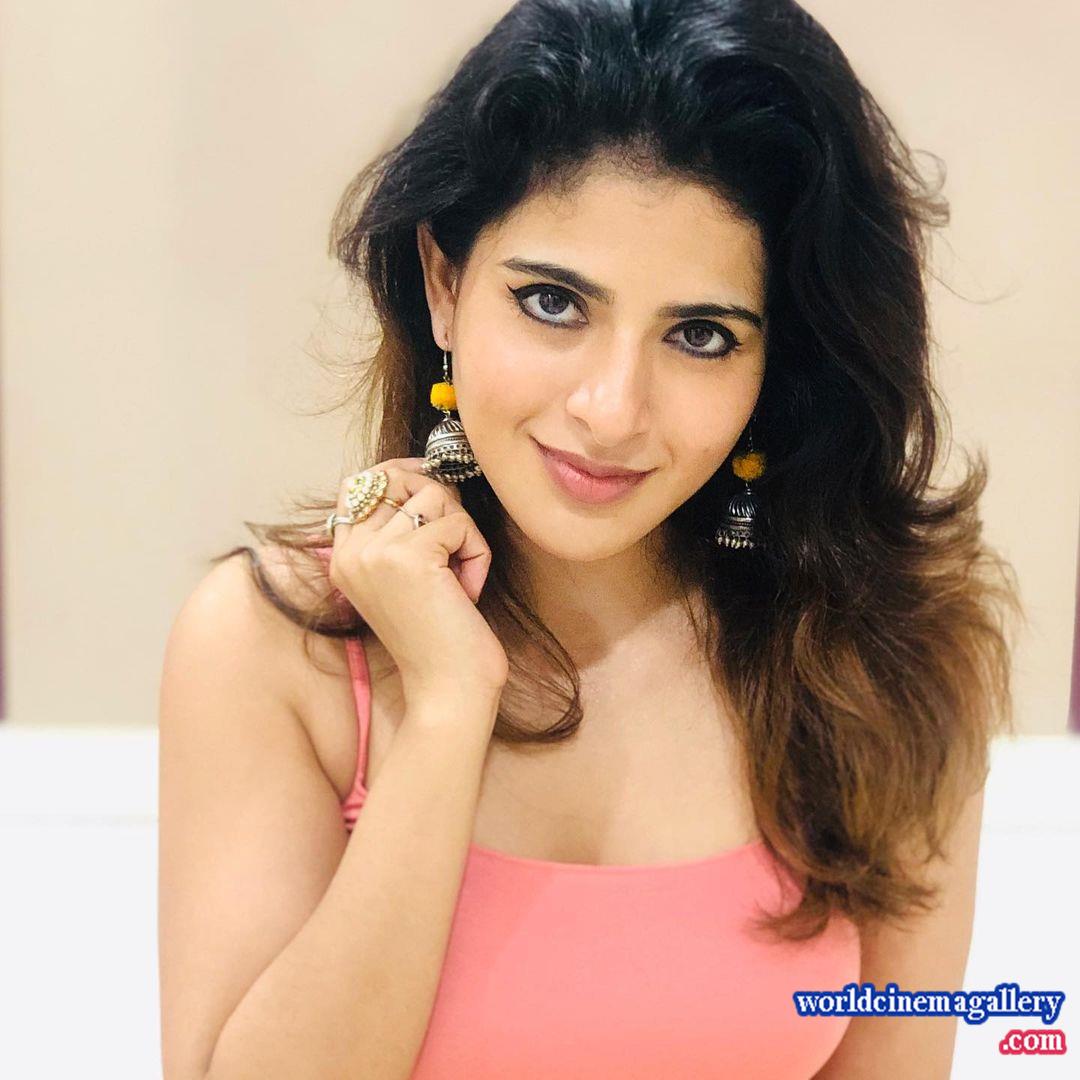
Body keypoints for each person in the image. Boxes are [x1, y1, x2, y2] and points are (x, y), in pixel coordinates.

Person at [157, 1, 1022, 1077]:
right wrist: (447, 708)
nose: (612, 410)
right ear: (444, 284)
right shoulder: (275, 652)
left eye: (700, 334)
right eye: (554, 303)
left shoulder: (888, 658)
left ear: (777, 363)